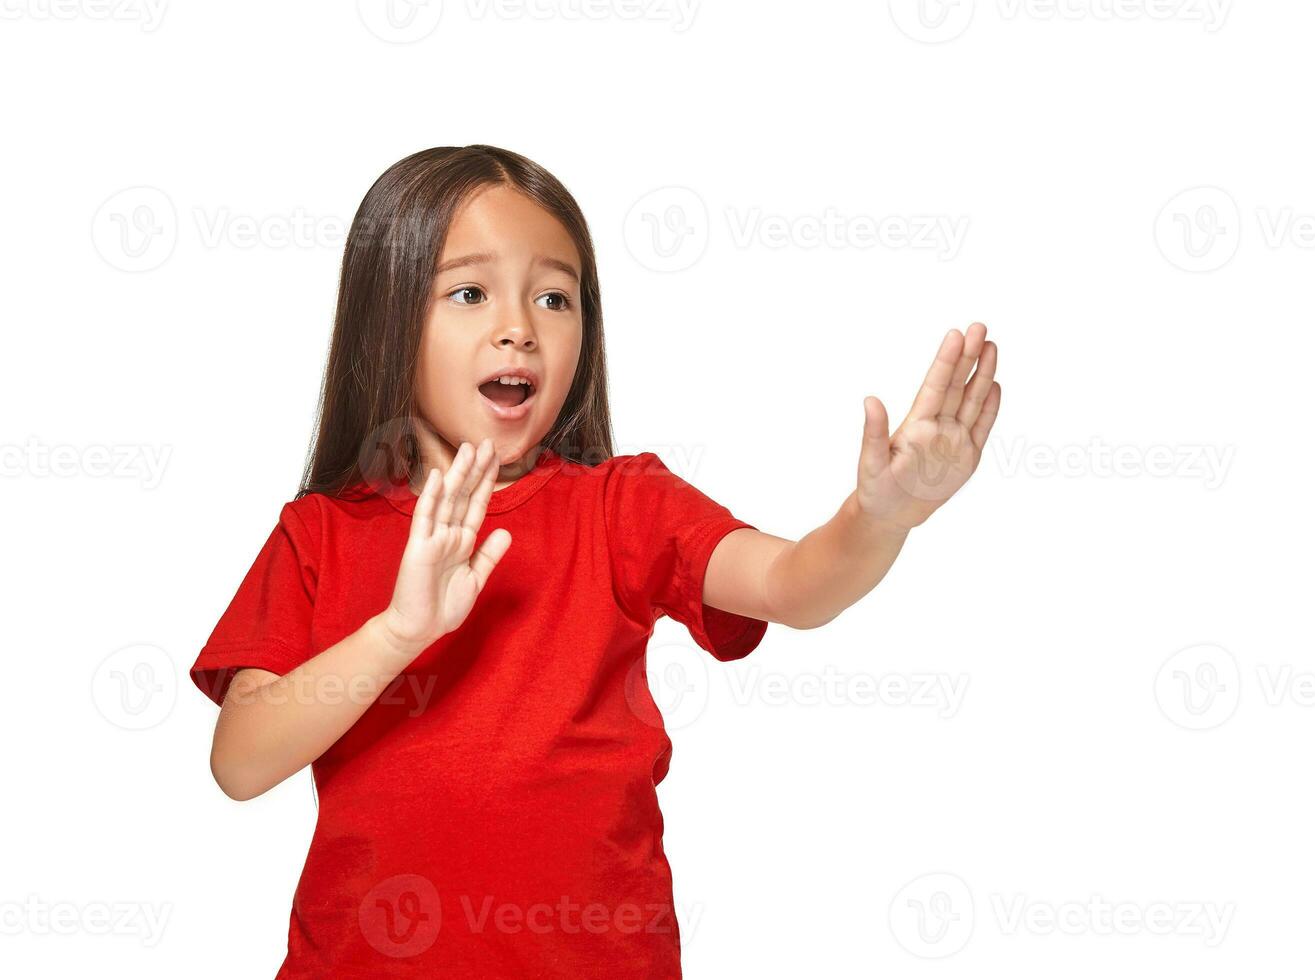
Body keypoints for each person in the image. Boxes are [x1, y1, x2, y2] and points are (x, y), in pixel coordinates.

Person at [190, 144, 1002, 978]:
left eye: (554, 297)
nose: (520, 327)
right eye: (469, 293)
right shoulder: (320, 531)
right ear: (388, 317)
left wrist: (880, 516)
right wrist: (399, 632)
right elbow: (241, 761)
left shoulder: (623, 506)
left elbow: (792, 586)